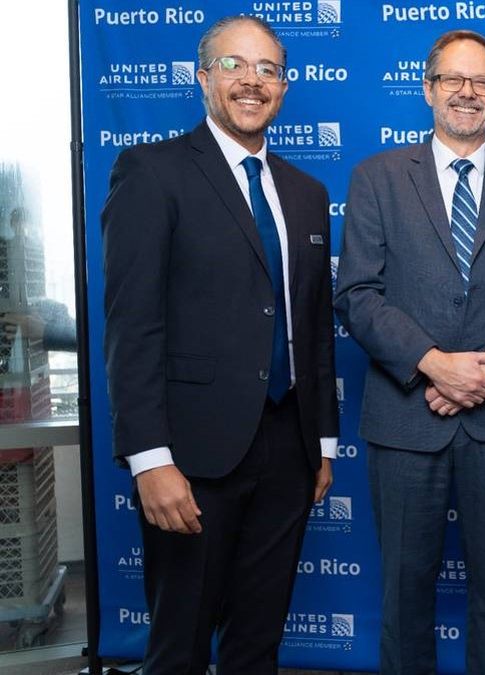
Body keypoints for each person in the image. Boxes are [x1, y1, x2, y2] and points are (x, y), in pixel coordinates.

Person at [101, 16, 337, 673]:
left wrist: (321, 443)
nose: (251, 82)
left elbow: (312, 325)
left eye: (267, 70)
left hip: (289, 449)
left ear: (283, 88)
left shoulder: (306, 194)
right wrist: (151, 460)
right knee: (178, 646)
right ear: (203, 78)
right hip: (193, 455)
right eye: (234, 65)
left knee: (257, 643)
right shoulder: (152, 173)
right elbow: (133, 323)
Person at [334, 29, 485, 674]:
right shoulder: (376, 178)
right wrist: (434, 363)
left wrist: (484, 371)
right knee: (404, 593)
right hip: (406, 421)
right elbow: (357, 292)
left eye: (482, 82)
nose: (467, 92)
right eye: (453, 80)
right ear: (427, 88)